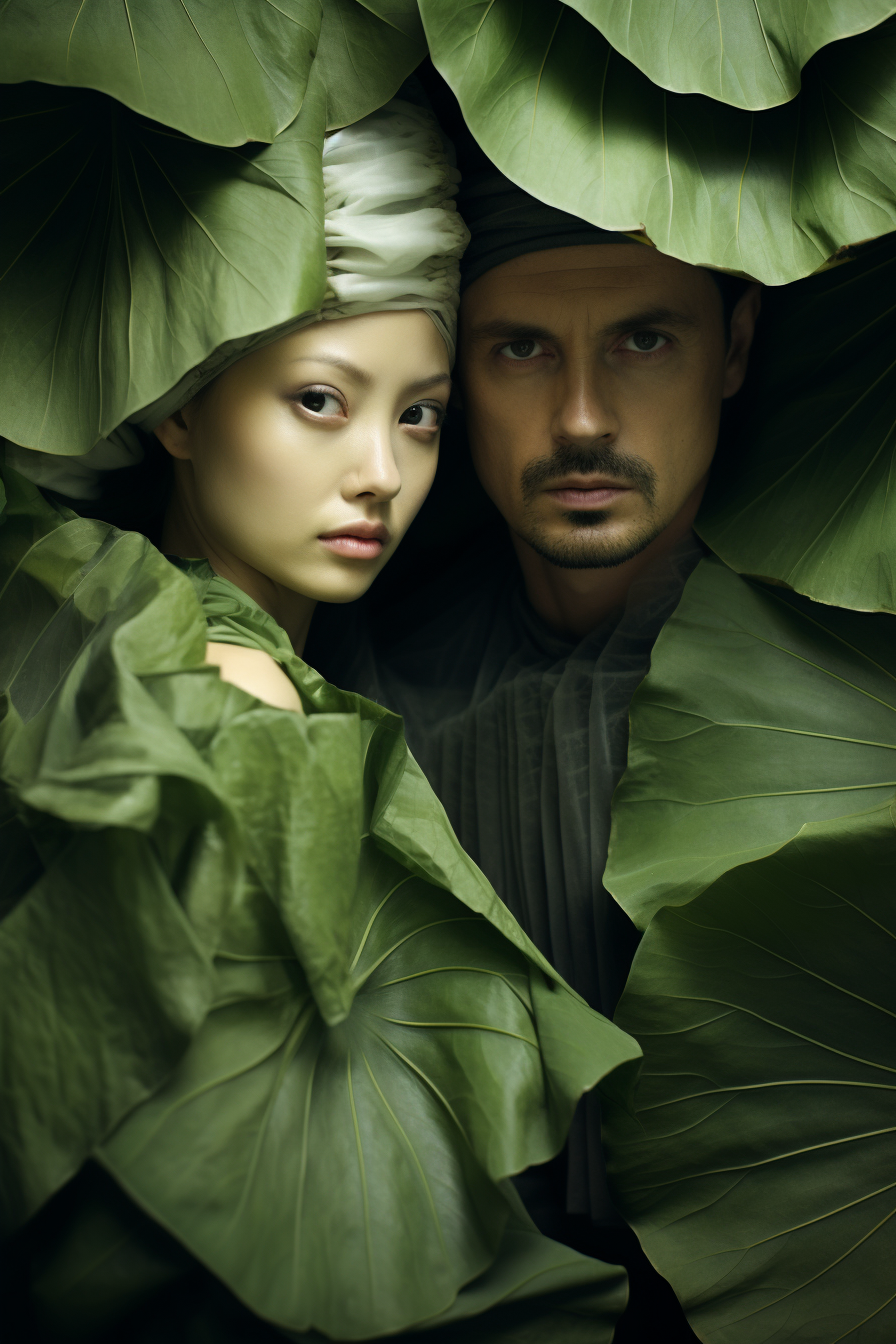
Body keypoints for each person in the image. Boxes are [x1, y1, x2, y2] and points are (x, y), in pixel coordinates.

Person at [0, 103, 640, 1343]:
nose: (380, 474)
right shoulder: (226, 689)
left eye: (417, 413)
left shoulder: (84, 596)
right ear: (178, 411)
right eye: (317, 401)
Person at [307, 152, 762, 1339]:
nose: (578, 418)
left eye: (643, 341)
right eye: (519, 350)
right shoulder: (358, 688)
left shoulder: (848, 703)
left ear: (736, 349)